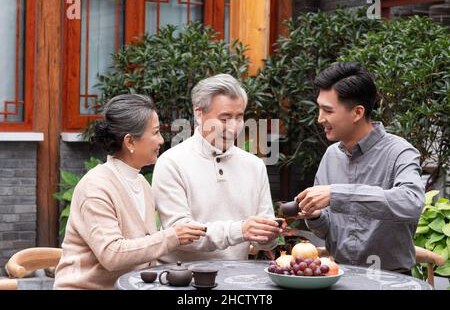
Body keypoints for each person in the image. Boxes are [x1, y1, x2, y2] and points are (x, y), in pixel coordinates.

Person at [54, 94, 206, 289]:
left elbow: (146, 249)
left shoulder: (141, 183)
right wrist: (173, 236)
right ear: (130, 142)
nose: (161, 140)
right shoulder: (95, 187)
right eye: (156, 132)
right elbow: (112, 254)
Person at [296, 62, 424, 273]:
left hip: (390, 282)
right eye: (319, 108)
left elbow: (411, 202)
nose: (319, 119)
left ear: (357, 112)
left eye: (327, 110)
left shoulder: (400, 152)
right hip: (339, 277)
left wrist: (337, 195)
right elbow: (328, 230)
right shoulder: (331, 156)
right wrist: (315, 216)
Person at [152, 74, 285, 263]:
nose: (233, 127)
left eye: (239, 118)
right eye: (224, 118)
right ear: (199, 113)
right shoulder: (172, 163)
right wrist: (240, 230)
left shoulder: (254, 166)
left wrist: (269, 234)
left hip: (236, 279)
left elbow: (264, 243)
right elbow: (180, 235)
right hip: (181, 278)